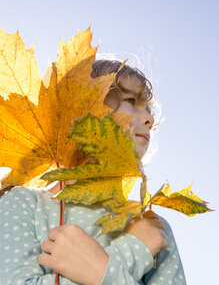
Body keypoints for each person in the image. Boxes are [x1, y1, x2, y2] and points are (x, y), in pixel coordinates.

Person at [0, 59, 186, 285]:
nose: (150, 118)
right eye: (130, 100)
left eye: (148, 109)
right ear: (82, 105)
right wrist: (130, 253)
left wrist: (101, 270)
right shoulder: (24, 204)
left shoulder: (152, 226)